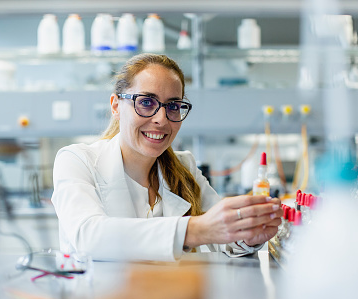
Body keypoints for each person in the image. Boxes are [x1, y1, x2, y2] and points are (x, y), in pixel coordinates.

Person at [51, 53, 282, 262]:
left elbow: (224, 237)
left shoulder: (184, 166)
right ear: (115, 106)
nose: (161, 119)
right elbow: (88, 237)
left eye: (173, 106)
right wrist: (195, 229)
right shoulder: (76, 161)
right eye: (146, 102)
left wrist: (249, 233)